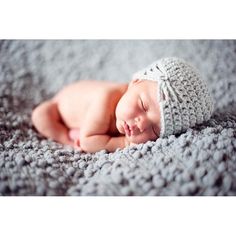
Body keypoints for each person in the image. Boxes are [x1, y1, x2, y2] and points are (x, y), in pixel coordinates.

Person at [31, 57, 214, 153]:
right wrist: (124, 142)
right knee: (40, 115)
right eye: (143, 105)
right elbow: (88, 142)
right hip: (58, 108)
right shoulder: (106, 98)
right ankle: (66, 138)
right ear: (135, 81)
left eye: (156, 131)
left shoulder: (133, 112)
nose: (141, 124)